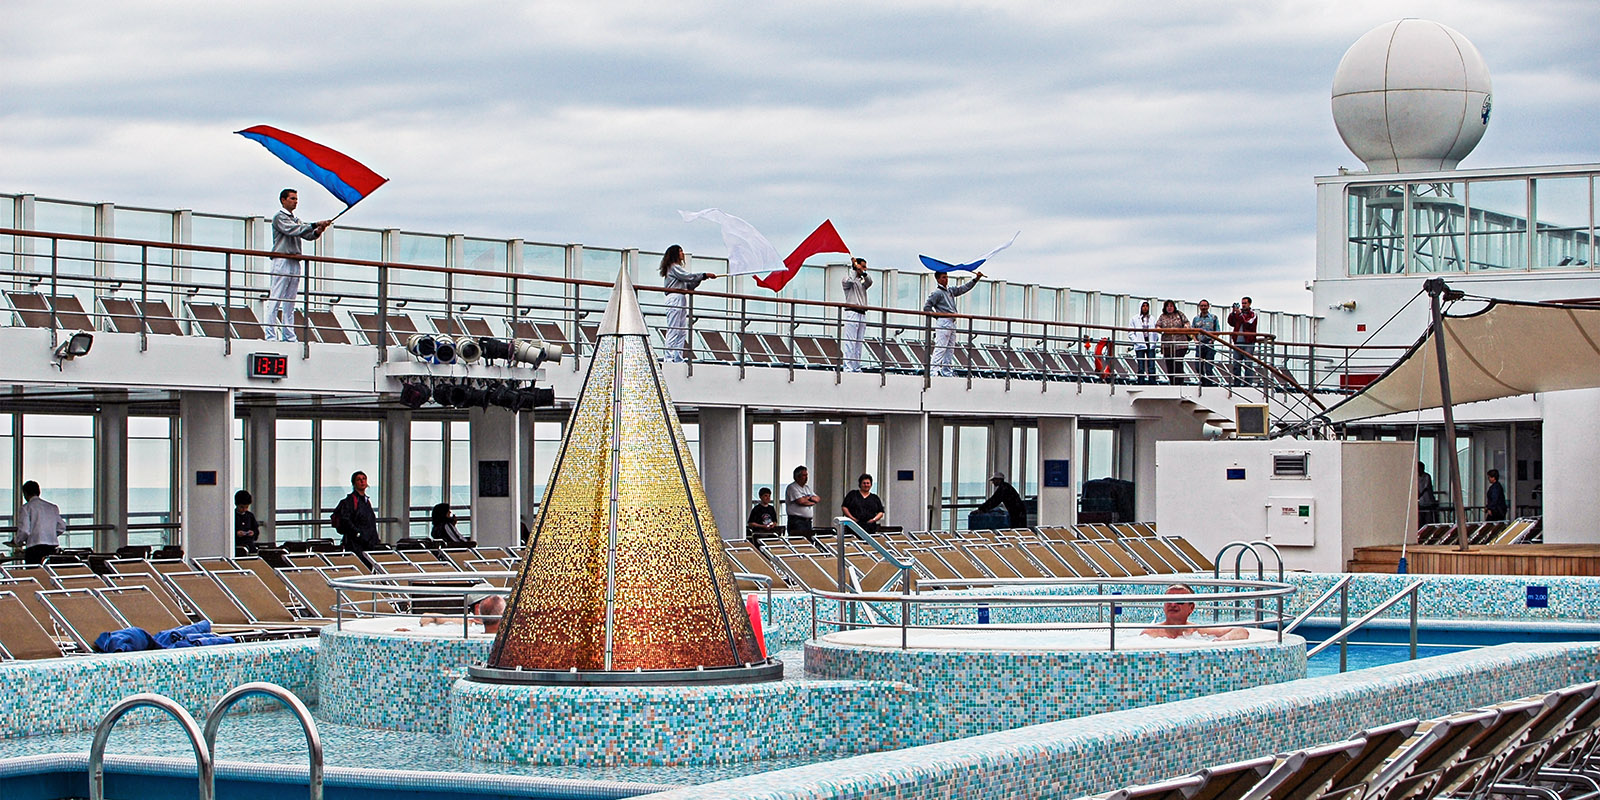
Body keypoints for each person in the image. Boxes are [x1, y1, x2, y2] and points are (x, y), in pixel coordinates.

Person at [267, 189, 331, 342]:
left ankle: (289, 335)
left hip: (295, 260)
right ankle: (270, 334)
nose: (295, 201)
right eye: (292, 198)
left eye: (296, 199)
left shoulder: (296, 219)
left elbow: (306, 234)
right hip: (281, 259)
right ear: (283, 200)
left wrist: (318, 230)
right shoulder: (279, 217)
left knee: (290, 299)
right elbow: (292, 230)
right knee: (275, 298)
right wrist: (315, 224)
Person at [659, 245, 718, 362]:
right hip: (674, 297)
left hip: (681, 297)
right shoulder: (673, 267)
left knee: (681, 330)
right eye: (680, 251)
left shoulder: (676, 269)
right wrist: (703, 275)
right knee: (674, 328)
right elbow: (687, 277)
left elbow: (689, 284)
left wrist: (701, 279)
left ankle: (677, 357)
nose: (682, 253)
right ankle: (669, 357)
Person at [923, 270, 983, 377]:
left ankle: (946, 370)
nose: (946, 279)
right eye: (943, 277)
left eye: (946, 277)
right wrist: (938, 315)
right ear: (938, 279)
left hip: (952, 321)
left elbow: (963, 288)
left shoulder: (950, 290)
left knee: (950, 348)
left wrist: (975, 280)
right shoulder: (937, 293)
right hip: (944, 321)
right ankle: (933, 371)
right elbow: (927, 307)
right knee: (941, 347)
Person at [1141, 584, 1249, 641]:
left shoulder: (1198, 631)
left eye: (1179, 601)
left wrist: (1222, 640)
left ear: (1191, 608)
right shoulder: (1150, 633)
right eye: (1169, 600)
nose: (1173, 604)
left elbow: (1241, 631)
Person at [331, 470, 382, 557]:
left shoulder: (366, 501)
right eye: (359, 479)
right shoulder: (351, 501)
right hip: (356, 544)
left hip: (368, 542)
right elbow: (345, 520)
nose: (362, 481)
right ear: (354, 483)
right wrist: (358, 534)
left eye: (364, 479)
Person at [15, 480, 65, 564]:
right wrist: (50, 533)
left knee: (34, 573)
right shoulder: (52, 507)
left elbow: (24, 530)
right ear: (39, 492)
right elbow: (61, 526)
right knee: (49, 572)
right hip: (51, 546)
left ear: (25, 494)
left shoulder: (26, 508)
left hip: (34, 548)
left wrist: (17, 541)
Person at [841, 257, 873, 371]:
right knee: (851, 341)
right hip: (852, 312)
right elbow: (849, 280)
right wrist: (854, 269)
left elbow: (870, 281)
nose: (865, 269)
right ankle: (848, 367)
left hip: (862, 313)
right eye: (863, 266)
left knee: (859, 342)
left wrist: (863, 272)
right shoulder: (847, 280)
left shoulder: (862, 283)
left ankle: (856, 366)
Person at [1155, 300, 1191, 383]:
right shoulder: (1162, 316)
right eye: (1168, 306)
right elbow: (1157, 326)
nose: (1169, 308)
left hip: (1180, 343)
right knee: (1169, 364)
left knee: (1178, 362)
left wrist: (1183, 329)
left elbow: (1187, 323)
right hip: (1167, 344)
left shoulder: (1179, 314)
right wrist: (1160, 329)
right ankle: (1172, 382)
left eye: (1171, 306)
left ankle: (1180, 382)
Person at [1190, 299, 1221, 385]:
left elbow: (1217, 331)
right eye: (1202, 306)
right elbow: (1192, 331)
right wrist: (1195, 341)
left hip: (1209, 343)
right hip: (1199, 343)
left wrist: (1212, 340)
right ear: (1199, 307)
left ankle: (1209, 383)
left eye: (1205, 306)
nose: (1203, 308)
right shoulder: (1196, 319)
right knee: (1198, 366)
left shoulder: (1213, 318)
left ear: (1208, 307)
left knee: (1208, 366)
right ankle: (1202, 382)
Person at [1227, 296, 1259, 381]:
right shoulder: (1239, 313)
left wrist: (1240, 314)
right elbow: (1231, 322)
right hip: (1238, 342)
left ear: (1249, 304)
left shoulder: (1252, 314)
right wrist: (1233, 313)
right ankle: (1237, 382)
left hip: (1248, 342)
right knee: (1236, 363)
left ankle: (1248, 382)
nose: (1243, 305)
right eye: (1242, 303)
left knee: (1248, 363)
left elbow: (1248, 323)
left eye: (1245, 303)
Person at [1127, 300, 1158, 384]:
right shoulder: (1134, 318)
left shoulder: (1152, 318)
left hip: (1150, 342)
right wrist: (1136, 341)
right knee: (1141, 365)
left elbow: (1155, 331)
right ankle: (1141, 381)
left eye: (1147, 306)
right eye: (1143, 306)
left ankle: (1152, 382)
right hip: (1140, 343)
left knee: (1151, 365)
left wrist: (1155, 341)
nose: (1145, 308)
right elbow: (1130, 332)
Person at [784, 466, 820, 535]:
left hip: (808, 521)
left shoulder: (807, 488)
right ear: (797, 477)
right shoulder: (792, 487)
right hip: (797, 521)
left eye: (807, 475)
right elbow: (800, 501)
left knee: (809, 541)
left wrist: (808, 498)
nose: (806, 477)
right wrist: (811, 500)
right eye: (804, 475)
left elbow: (817, 499)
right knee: (799, 542)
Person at [234, 489, 260, 554]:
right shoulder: (232, 516)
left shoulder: (250, 516)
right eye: (241, 507)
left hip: (250, 546)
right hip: (237, 547)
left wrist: (253, 533)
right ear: (237, 505)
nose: (244, 509)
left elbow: (256, 530)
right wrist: (236, 534)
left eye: (246, 507)